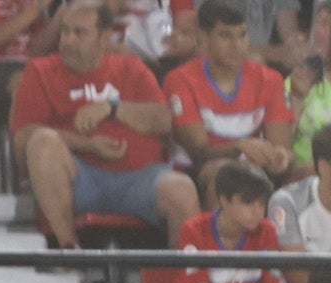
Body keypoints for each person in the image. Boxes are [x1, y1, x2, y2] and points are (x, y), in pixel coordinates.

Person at [12, 0, 199, 247]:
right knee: (42, 143)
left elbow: (164, 120)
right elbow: (24, 136)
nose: (68, 40)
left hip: (139, 178)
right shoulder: (40, 71)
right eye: (65, 31)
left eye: (79, 33)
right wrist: (87, 144)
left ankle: (184, 281)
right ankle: (68, 249)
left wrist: (113, 109)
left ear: (104, 38)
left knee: (182, 189)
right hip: (78, 178)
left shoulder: (130, 67)